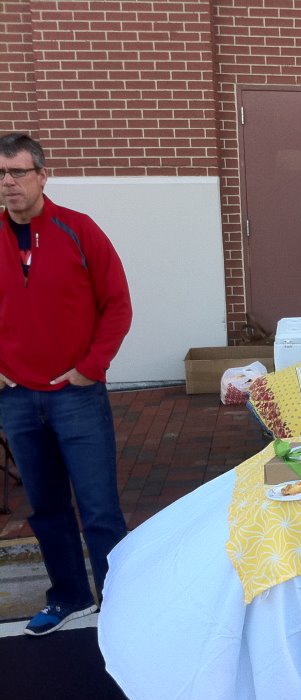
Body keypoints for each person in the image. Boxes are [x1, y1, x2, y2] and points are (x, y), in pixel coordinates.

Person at [0, 133, 133, 636]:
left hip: (76, 396)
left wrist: (90, 367)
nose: (8, 182)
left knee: (99, 509)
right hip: (16, 401)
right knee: (48, 509)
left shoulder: (78, 230)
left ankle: (119, 600)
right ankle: (69, 596)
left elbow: (117, 305)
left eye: (18, 172)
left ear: (41, 175)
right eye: (1, 174)